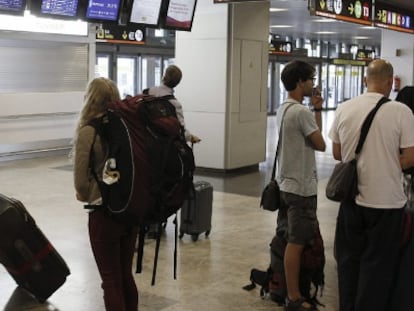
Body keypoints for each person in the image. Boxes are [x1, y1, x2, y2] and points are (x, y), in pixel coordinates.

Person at [328, 59, 414, 311]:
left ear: (366, 80)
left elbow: (337, 152)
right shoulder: (401, 112)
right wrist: (385, 161)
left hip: (350, 200)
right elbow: (410, 157)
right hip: (387, 203)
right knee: (377, 266)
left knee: (348, 261)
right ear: (390, 82)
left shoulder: (344, 108)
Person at [73, 77, 139, 311]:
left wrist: (84, 194)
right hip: (130, 209)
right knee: (125, 276)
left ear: (90, 98)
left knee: (110, 280)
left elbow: (81, 181)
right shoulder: (128, 128)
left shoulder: (88, 130)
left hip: (103, 212)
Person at [276, 60, 326, 311]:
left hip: (285, 185)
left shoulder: (284, 108)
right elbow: (321, 144)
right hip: (301, 189)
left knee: (288, 239)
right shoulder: (300, 112)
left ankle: (286, 288)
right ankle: (294, 297)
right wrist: (316, 110)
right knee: (297, 242)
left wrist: (316, 108)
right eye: (311, 79)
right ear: (300, 81)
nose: (313, 84)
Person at [146, 64, 201, 144]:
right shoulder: (175, 104)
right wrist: (191, 137)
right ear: (177, 83)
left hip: (145, 144)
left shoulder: (148, 92)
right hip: (164, 148)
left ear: (163, 77)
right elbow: (181, 132)